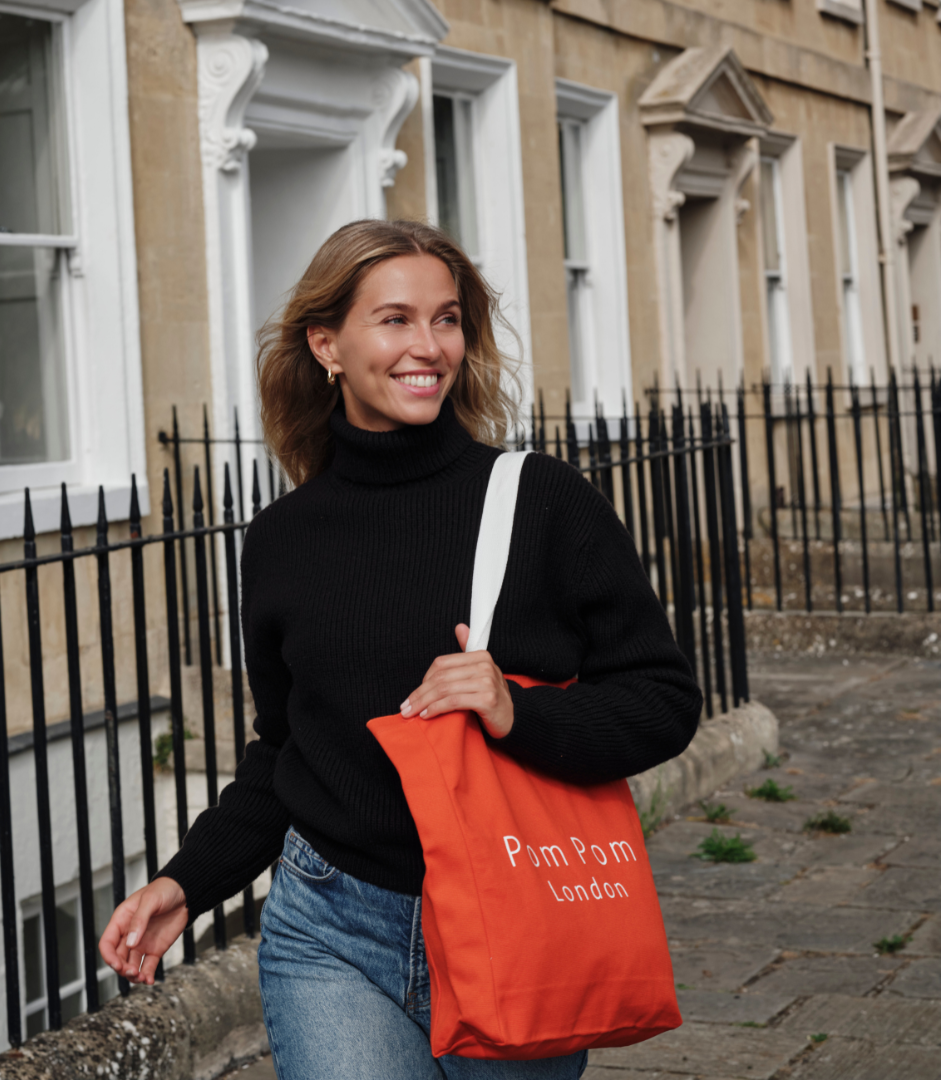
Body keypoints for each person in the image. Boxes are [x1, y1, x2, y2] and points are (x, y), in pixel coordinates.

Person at [99, 219, 702, 1078]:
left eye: (447, 319)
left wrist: (515, 709)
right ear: (327, 345)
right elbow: (288, 749)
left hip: (512, 918)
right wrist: (187, 881)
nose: (429, 347)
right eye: (395, 319)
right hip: (330, 929)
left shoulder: (541, 502)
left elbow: (665, 702)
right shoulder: (281, 539)